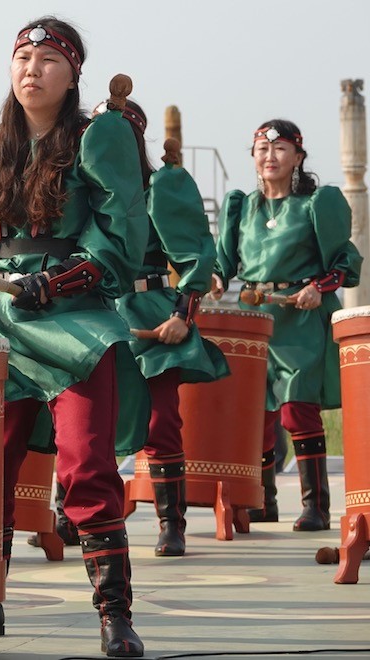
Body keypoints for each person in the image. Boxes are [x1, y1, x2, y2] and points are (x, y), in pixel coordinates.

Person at [0, 18, 148, 657]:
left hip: (75, 318)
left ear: (74, 73)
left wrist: (56, 282)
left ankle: (115, 614)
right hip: (2, 324)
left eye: (49, 59)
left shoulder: (97, 137)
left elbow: (120, 243)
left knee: (86, 465)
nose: (32, 68)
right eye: (22, 57)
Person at [212, 119, 362, 531]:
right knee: (257, 412)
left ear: (297, 156)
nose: (269, 156)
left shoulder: (315, 205)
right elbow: (224, 263)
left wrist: (319, 285)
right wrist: (215, 278)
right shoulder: (242, 207)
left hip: (300, 317)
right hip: (256, 319)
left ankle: (316, 505)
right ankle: (263, 500)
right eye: (261, 149)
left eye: (279, 149)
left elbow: (346, 263)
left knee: (297, 407)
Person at [112, 101, 229, 556]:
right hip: (97, 312)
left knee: (160, 422)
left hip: (156, 311)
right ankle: (70, 510)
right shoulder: (78, 190)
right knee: (89, 421)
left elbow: (194, 254)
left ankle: (170, 525)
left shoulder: (162, 184)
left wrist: (183, 313)